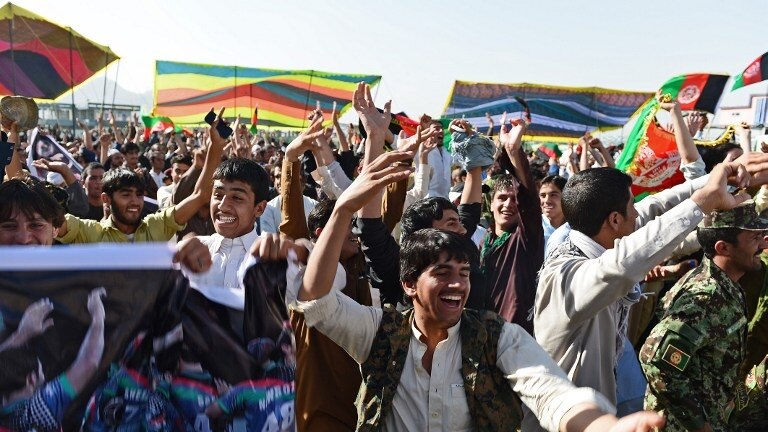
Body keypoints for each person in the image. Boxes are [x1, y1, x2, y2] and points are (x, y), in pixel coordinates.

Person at [290, 146, 665, 432]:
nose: (457, 283)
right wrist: (343, 209)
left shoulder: (496, 338)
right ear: (408, 285)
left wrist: (602, 425)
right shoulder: (378, 332)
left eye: (464, 272)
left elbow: (551, 392)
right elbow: (317, 302)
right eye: (443, 272)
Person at [534, 161, 756, 413]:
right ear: (615, 220)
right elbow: (625, 261)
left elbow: (655, 208)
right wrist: (705, 200)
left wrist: (717, 178)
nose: (637, 215)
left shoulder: (598, 238)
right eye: (631, 207)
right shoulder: (566, 274)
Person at [640, 202, 768, 431]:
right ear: (724, 248)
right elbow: (655, 360)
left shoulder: (726, 284)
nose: (762, 244)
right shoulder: (705, 298)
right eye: (754, 238)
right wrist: (700, 425)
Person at [53, 109, 227, 244]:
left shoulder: (156, 226)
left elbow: (200, 196)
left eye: (139, 194)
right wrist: (64, 174)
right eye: (126, 194)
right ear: (106, 198)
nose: (135, 201)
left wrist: (216, 147)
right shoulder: (91, 233)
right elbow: (48, 223)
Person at [0, 288, 106, 432]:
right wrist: (98, 317)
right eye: (40, 370)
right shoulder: (38, 410)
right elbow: (88, 362)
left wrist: (22, 334)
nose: (43, 374)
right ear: (31, 379)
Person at [181, 156, 271, 309]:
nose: (223, 206)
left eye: (236, 197)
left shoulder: (271, 259)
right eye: (218, 195)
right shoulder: (190, 251)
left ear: (259, 208)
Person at [481, 118, 544, 334]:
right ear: (492, 202)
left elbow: (530, 202)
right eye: (502, 198)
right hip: (479, 335)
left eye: (514, 199)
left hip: (514, 336)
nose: (508, 204)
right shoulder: (484, 239)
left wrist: (513, 152)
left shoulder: (526, 238)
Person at [540, 175, 567, 248]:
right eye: (543, 196)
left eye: (553, 195)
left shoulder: (576, 227)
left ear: (565, 197)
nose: (547, 201)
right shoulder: (534, 226)